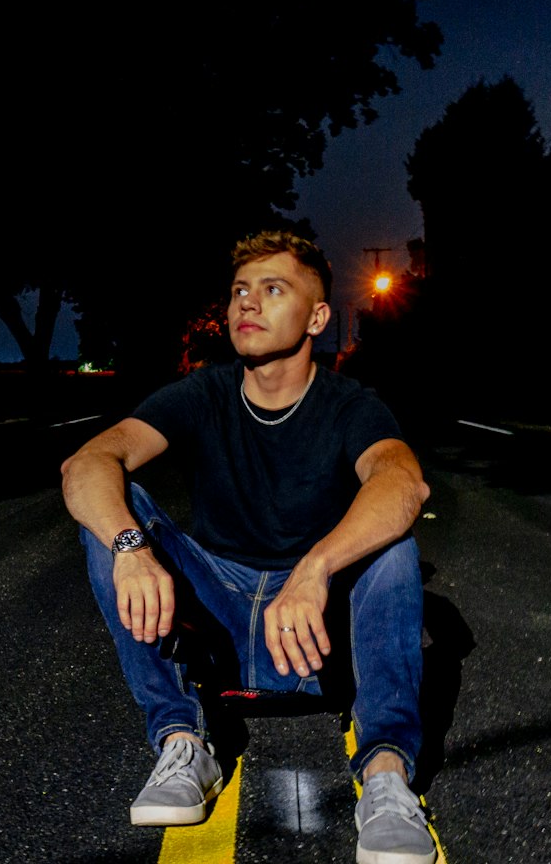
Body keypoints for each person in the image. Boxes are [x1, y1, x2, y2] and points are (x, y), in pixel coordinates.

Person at [61, 231, 436, 864]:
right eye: (240, 291)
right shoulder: (204, 393)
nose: (247, 305)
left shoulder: (350, 406)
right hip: (219, 625)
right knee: (114, 518)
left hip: (313, 639)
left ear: (317, 317)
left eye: (272, 289)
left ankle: (385, 775)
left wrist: (316, 567)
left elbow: (403, 482)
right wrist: (131, 546)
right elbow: (90, 460)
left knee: (392, 545)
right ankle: (183, 742)